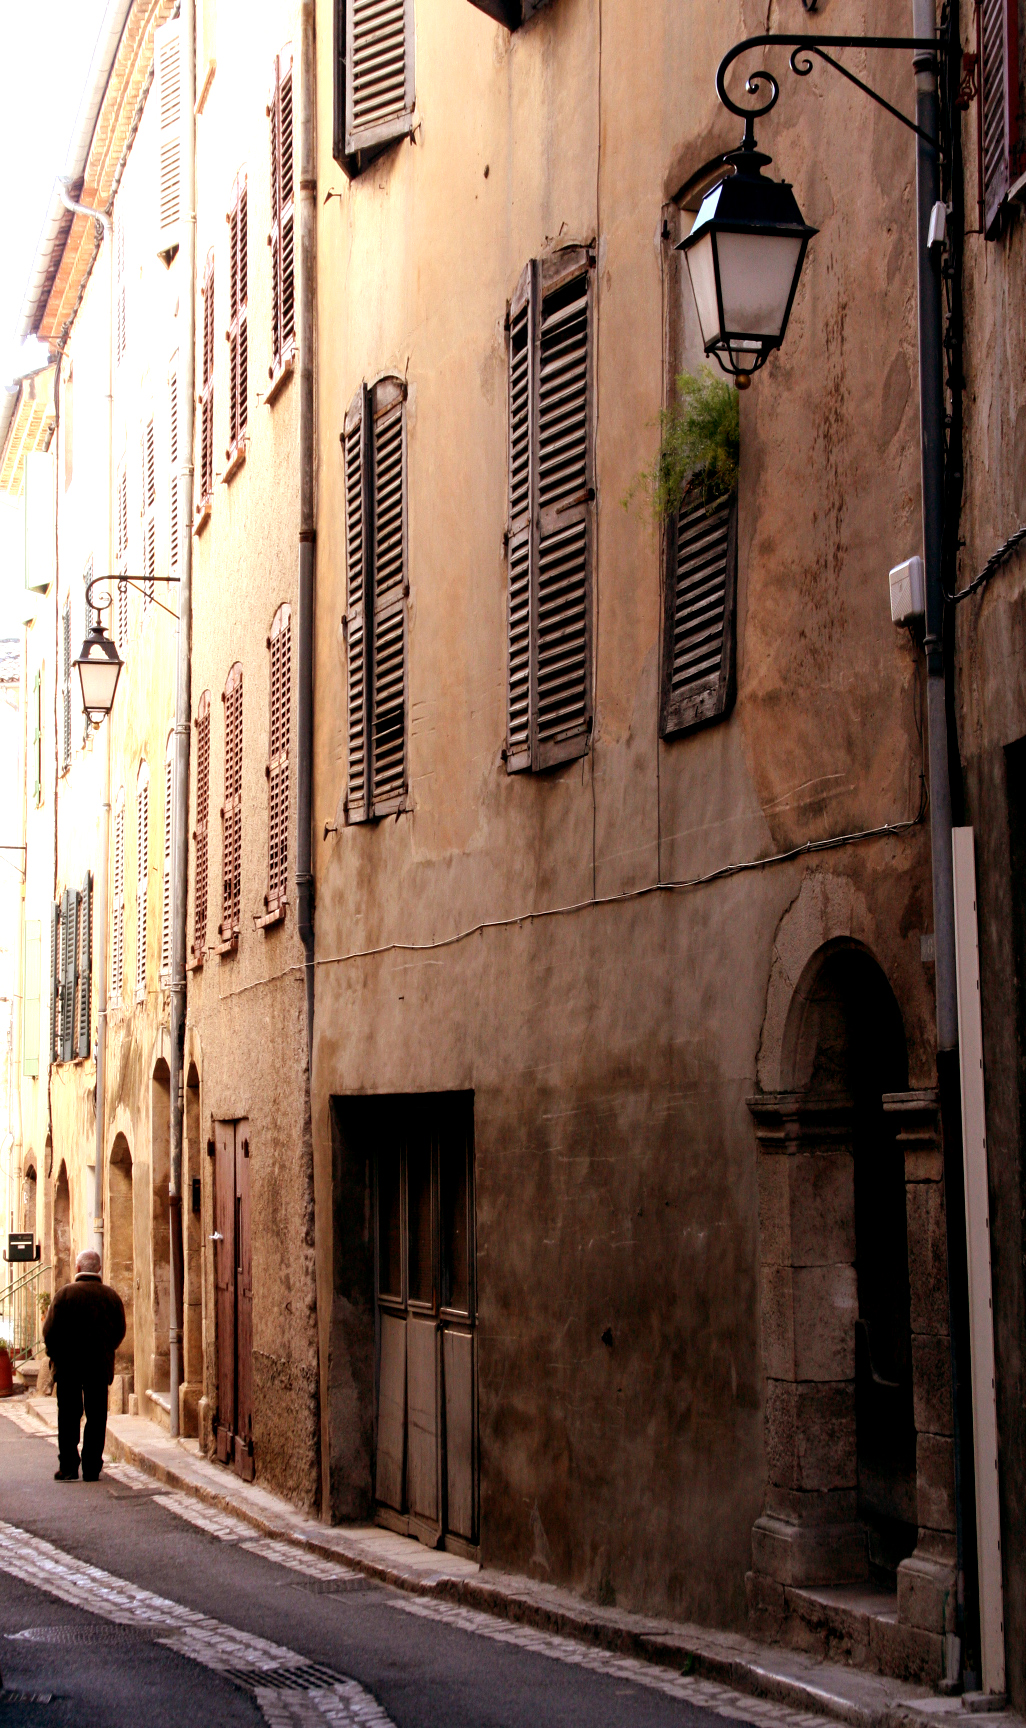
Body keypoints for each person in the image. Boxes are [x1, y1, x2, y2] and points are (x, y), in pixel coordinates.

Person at [42, 1248, 126, 1482]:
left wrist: (56, 1355)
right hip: (98, 1366)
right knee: (96, 1416)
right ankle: (91, 1467)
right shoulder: (111, 1297)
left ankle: (68, 1466)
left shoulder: (64, 1295)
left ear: (78, 1269)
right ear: (98, 1269)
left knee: (68, 1416)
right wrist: (106, 1351)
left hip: (68, 1366)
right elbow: (119, 1331)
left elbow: (49, 1331)